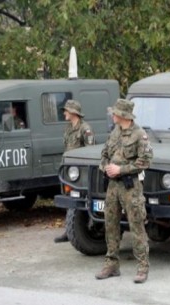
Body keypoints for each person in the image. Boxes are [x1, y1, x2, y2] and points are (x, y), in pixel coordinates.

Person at [95, 99, 153, 284]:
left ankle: (143, 267)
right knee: (110, 224)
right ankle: (111, 264)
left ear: (123, 116)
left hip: (130, 187)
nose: (113, 115)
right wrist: (105, 167)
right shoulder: (115, 132)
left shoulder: (139, 134)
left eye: (115, 113)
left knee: (136, 225)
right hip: (112, 186)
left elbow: (145, 161)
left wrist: (121, 169)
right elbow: (104, 154)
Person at [54, 99, 95, 243]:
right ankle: (70, 229)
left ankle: (87, 227)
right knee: (69, 199)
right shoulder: (68, 128)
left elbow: (91, 151)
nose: (64, 113)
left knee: (84, 198)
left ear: (73, 112)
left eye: (66, 110)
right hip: (69, 169)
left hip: (81, 171)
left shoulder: (85, 129)